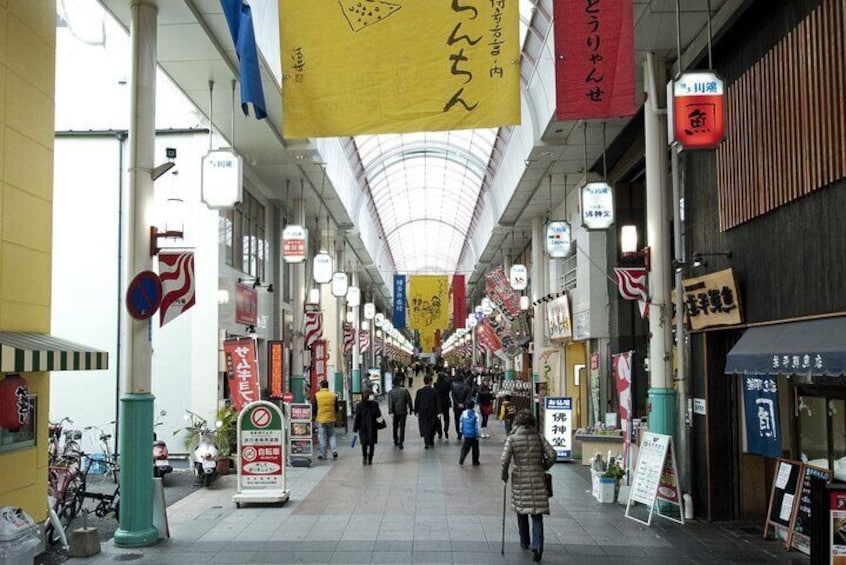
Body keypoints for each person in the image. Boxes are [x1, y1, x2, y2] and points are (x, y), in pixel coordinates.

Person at [500, 410, 557, 562]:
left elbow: (504, 460)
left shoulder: (512, 438)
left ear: (517, 423)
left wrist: (504, 475)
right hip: (538, 476)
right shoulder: (539, 437)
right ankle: (538, 547)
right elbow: (553, 454)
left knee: (522, 510)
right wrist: (545, 466)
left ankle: (525, 542)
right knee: (537, 514)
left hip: (520, 478)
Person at [353, 389, 382, 465]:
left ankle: (367, 458)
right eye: (371, 395)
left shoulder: (363, 405)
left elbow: (358, 418)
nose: (372, 397)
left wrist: (355, 429)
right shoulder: (371, 404)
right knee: (368, 443)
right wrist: (355, 428)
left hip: (367, 427)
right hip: (368, 427)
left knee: (368, 443)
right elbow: (357, 418)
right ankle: (367, 458)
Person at [312, 380, 339, 460]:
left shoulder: (317, 395)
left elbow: (314, 408)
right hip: (331, 419)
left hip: (321, 419)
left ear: (321, 386)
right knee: (332, 435)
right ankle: (334, 450)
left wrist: (315, 416)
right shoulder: (333, 395)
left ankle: (323, 455)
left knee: (322, 437)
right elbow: (336, 407)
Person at [387, 376, 413, 449]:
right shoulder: (404, 390)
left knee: (395, 426)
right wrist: (411, 409)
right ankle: (401, 442)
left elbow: (390, 403)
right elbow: (409, 400)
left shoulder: (390, 392)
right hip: (403, 411)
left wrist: (390, 411)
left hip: (395, 412)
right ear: (399, 382)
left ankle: (395, 440)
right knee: (402, 427)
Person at [414, 374, 439, 449]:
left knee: (425, 426)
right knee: (432, 426)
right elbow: (437, 402)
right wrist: (439, 411)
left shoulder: (419, 391)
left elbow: (417, 401)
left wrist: (416, 410)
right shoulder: (434, 391)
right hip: (432, 412)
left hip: (423, 411)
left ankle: (426, 442)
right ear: (430, 382)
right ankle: (431, 440)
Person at [458, 400, 481, 466]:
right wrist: (477, 434)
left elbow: (461, 423)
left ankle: (461, 459)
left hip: (466, 434)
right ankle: (475, 461)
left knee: (465, 448)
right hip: (474, 434)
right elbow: (477, 426)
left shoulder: (463, 414)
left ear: (466, 406)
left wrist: (461, 432)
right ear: (473, 406)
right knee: (475, 449)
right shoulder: (475, 414)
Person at [434, 372, 452, 440]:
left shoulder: (436, 384)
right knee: (446, 417)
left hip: (438, 403)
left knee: (438, 417)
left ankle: (440, 432)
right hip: (446, 402)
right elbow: (450, 390)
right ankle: (446, 429)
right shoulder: (447, 384)